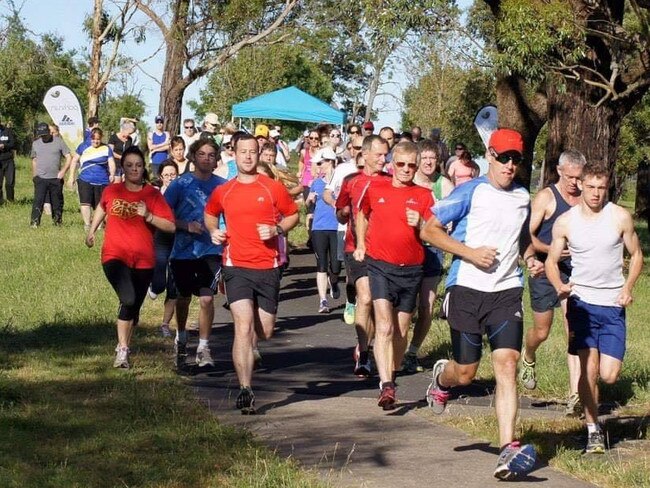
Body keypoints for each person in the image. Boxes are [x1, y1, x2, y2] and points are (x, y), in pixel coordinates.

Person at [421, 128, 542, 480]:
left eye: (515, 159)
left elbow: (522, 241)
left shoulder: (522, 197)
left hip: (506, 291)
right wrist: (470, 254)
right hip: (468, 289)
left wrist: (530, 258)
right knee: (466, 372)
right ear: (489, 155)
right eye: (503, 157)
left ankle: (508, 448)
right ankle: (442, 381)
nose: (508, 165)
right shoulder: (470, 191)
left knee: (506, 365)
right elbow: (429, 230)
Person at [545, 162, 643, 455]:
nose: (596, 193)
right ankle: (593, 430)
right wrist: (558, 285)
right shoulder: (566, 221)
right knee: (588, 369)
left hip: (612, 304)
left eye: (602, 188)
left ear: (607, 188)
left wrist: (628, 288)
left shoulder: (619, 216)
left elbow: (636, 255)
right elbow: (551, 261)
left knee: (609, 374)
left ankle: (592, 416)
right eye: (591, 187)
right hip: (582, 304)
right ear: (582, 186)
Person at [205, 134, 299, 414]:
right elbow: (210, 214)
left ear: (259, 155)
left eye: (252, 152)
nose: (247, 156)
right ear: (234, 154)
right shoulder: (225, 190)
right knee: (242, 327)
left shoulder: (272, 188)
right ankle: (245, 389)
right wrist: (214, 231)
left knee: (265, 330)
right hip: (236, 266)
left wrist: (277, 229)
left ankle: (253, 352)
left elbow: (292, 214)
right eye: (242, 151)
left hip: (267, 267)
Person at [354, 141, 434, 409]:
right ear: (392, 163)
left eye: (412, 165)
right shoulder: (376, 187)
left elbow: (434, 231)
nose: (406, 170)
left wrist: (421, 224)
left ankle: (392, 371)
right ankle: (387, 385)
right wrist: (363, 244)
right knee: (385, 327)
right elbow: (362, 214)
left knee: (400, 332)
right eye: (401, 164)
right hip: (379, 265)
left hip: (411, 270)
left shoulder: (424, 195)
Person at [85, 146, 175, 369]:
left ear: (144, 167)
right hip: (114, 255)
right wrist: (92, 230)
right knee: (129, 299)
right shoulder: (112, 190)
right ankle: (122, 349)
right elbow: (102, 207)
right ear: (123, 168)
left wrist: (149, 215)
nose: (134, 169)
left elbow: (171, 226)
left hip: (144, 260)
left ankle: (124, 346)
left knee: (132, 308)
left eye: (138, 165)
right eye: (129, 165)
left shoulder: (152, 195)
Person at [520, 150, 586, 416]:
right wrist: (548, 251)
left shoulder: (586, 198)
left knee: (574, 331)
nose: (575, 183)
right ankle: (529, 355)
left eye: (579, 178)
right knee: (542, 331)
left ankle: (574, 395)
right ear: (559, 171)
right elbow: (527, 235)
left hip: (575, 271)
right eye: (570, 177)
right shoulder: (547, 198)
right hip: (546, 269)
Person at [164, 139, 226, 369]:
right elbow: (163, 215)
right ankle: (181, 335)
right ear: (192, 156)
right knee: (183, 298)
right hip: (183, 250)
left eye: (211, 155)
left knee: (207, 299)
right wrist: (184, 225)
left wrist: (226, 234)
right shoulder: (180, 185)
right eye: (201, 154)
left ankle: (203, 346)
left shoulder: (222, 185)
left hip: (211, 249)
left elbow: (230, 215)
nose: (206, 159)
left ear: (216, 159)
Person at [336, 135, 391, 377]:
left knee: (381, 305)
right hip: (355, 248)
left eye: (385, 154)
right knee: (365, 297)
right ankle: (365, 353)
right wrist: (344, 212)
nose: (383, 159)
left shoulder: (391, 181)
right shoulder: (351, 181)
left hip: (383, 249)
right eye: (378, 154)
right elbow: (340, 213)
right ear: (365, 155)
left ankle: (372, 345)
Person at [401, 140, 454, 373]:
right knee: (405, 306)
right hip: (408, 247)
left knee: (427, 305)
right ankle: (393, 346)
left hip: (433, 249)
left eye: (433, 158)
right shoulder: (407, 181)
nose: (429, 162)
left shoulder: (445, 186)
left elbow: (453, 219)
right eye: (425, 158)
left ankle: (412, 352)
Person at [323, 134, 364, 324]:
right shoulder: (343, 169)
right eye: (355, 148)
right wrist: (337, 206)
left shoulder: (380, 171)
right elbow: (327, 192)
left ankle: (364, 306)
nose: (358, 152)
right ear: (350, 149)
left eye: (362, 148)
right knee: (349, 272)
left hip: (371, 233)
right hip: (345, 228)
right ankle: (350, 301)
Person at [307, 147, 341, 313]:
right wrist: (310, 199)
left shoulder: (340, 181)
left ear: (330, 162)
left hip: (337, 227)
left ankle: (333, 281)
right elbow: (308, 203)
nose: (318, 166)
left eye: (321, 163)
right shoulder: (316, 182)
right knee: (321, 265)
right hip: (319, 228)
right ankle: (323, 300)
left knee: (335, 266)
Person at [148, 160, 180, 338]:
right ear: (161, 177)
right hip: (161, 240)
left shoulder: (183, 192)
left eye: (172, 174)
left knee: (173, 286)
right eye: (166, 175)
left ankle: (165, 324)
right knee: (159, 284)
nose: (170, 178)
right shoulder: (156, 195)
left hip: (179, 241)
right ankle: (153, 285)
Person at [71, 128, 117, 231]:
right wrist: (71, 176)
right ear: (90, 138)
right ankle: (87, 224)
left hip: (102, 181)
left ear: (101, 138)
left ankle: (98, 225)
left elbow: (111, 162)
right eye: (93, 139)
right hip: (85, 179)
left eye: (98, 139)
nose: (95, 141)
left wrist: (112, 174)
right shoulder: (83, 146)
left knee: (99, 205)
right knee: (85, 203)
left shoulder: (106, 148)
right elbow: (74, 161)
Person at [29, 122, 72, 227]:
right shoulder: (36, 144)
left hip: (55, 178)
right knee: (38, 201)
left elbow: (69, 157)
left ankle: (57, 222)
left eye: (45, 134)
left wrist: (63, 171)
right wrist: (35, 176)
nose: (43, 137)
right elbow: (34, 160)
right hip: (41, 178)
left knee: (57, 202)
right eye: (41, 135)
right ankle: (34, 223)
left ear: (50, 132)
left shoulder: (59, 142)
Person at [0, 116, 16, 205]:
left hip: (8, 160)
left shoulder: (7, 131)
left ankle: (10, 201)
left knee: (10, 182)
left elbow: (13, 143)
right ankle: (1, 202)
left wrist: (4, 146)